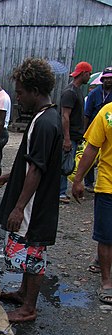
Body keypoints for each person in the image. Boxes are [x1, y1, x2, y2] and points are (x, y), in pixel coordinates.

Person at [0, 58, 63, 323]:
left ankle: (29, 307)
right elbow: (29, 163)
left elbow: (37, 170)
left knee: (34, 251)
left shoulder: (45, 123)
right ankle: (22, 292)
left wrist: (19, 207)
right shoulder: (43, 118)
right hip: (32, 199)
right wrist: (6, 178)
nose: (17, 97)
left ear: (35, 91)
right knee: (29, 252)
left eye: (19, 92)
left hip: (35, 204)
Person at [72, 102, 112, 305]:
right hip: (108, 185)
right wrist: (78, 179)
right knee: (106, 235)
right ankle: (106, 281)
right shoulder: (107, 113)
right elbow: (92, 148)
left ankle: (100, 260)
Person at [59, 61, 92, 203]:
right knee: (64, 164)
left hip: (75, 135)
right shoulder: (70, 92)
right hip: (69, 135)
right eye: (89, 74)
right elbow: (65, 116)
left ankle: (61, 190)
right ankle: (60, 192)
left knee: (70, 163)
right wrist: (66, 138)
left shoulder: (76, 91)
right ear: (83, 73)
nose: (89, 77)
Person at [84, 66, 112, 191]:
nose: (108, 81)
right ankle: (88, 182)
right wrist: (84, 132)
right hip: (94, 126)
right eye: (106, 78)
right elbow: (87, 113)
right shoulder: (94, 93)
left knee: (104, 155)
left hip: (108, 128)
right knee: (91, 152)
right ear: (102, 80)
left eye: (111, 78)